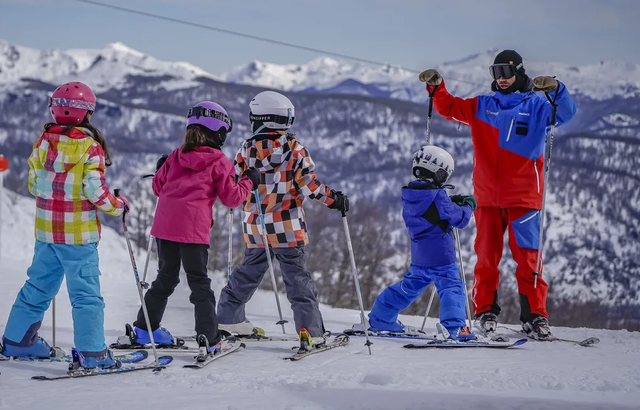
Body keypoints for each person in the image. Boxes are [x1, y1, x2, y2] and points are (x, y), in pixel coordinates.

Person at [419, 50, 577, 339]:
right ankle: (485, 311)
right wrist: (437, 87)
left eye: (506, 72)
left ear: (519, 72)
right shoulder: (483, 106)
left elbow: (566, 113)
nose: (501, 79)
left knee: (528, 259)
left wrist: (557, 89)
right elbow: (450, 107)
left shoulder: (538, 107)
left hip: (524, 197)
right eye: (495, 73)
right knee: (486, 258)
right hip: (488, 198)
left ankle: (535, 316)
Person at [0, 82, 128, 369]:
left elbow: (34, 185)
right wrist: (119, 205)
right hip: (78, 237)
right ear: (87, 114)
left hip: (47, 233)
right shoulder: (90, 148)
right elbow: (96, 192)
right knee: (86, 295)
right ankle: (92, 353)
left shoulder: (43, 142)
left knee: (37, 286)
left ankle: (18, 341)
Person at [216, 90, 348, 348]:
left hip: (257, 227)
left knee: (247, 274)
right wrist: (336, 199)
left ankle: (228, 317)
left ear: (263, 118)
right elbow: (311, 187)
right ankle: (310, 330)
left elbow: (235, 181)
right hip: (287, 228)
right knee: (297, 279)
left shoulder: (246, 149)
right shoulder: (296, 150)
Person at [131, 101, 256, 354]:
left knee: (165, 278)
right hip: (192, 231)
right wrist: (249, 182)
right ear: (218, 131)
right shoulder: (219, 161)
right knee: (199, 282)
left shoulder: (176, 156)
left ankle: (144, 329)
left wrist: (160, 170)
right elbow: (231, 198)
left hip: (164, 228)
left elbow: (158, 189)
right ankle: (209, 337)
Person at [354, 146, 477, 341]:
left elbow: (434, 210)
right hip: (441, 256)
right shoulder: (438, 197)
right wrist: (468, 206)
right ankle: (454, 328)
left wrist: (449, 201)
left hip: (420, 256)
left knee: (407, 288)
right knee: (451, 287)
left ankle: (380, 318)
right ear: (438, 172)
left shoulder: (411, 195)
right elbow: (459, 219)